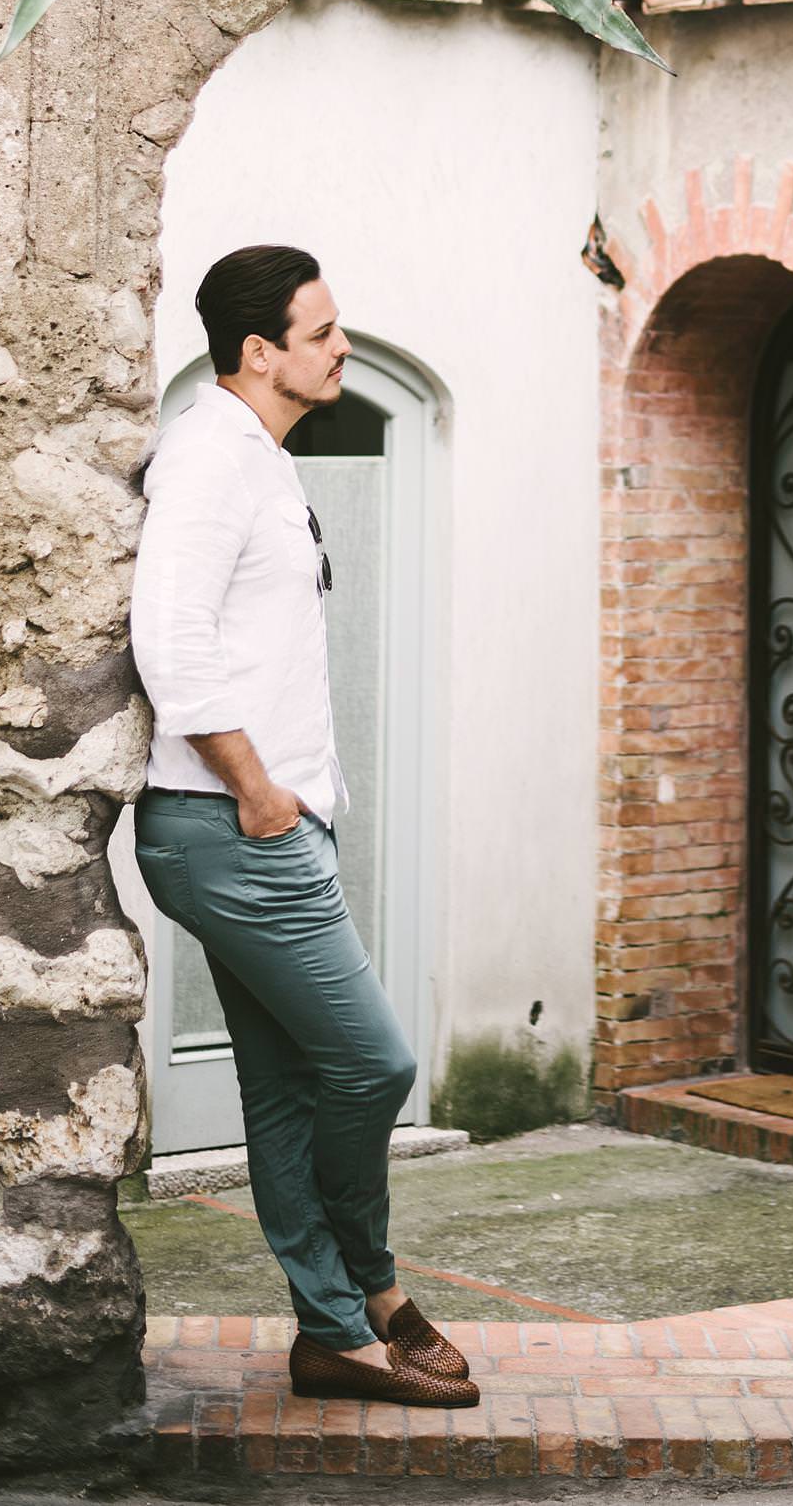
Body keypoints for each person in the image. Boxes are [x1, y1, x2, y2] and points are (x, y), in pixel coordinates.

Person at [129, 245, 476, 1410]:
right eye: (321, 334)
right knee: (375, 1063)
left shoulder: (262, 458)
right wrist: (258, 789)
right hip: (232, 826)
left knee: (284, 1088)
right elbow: (170, 642)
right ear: (259, 350)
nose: (342, 347)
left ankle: (332, 1331)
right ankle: (372, 1286)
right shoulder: (207, 456)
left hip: (263, 824)